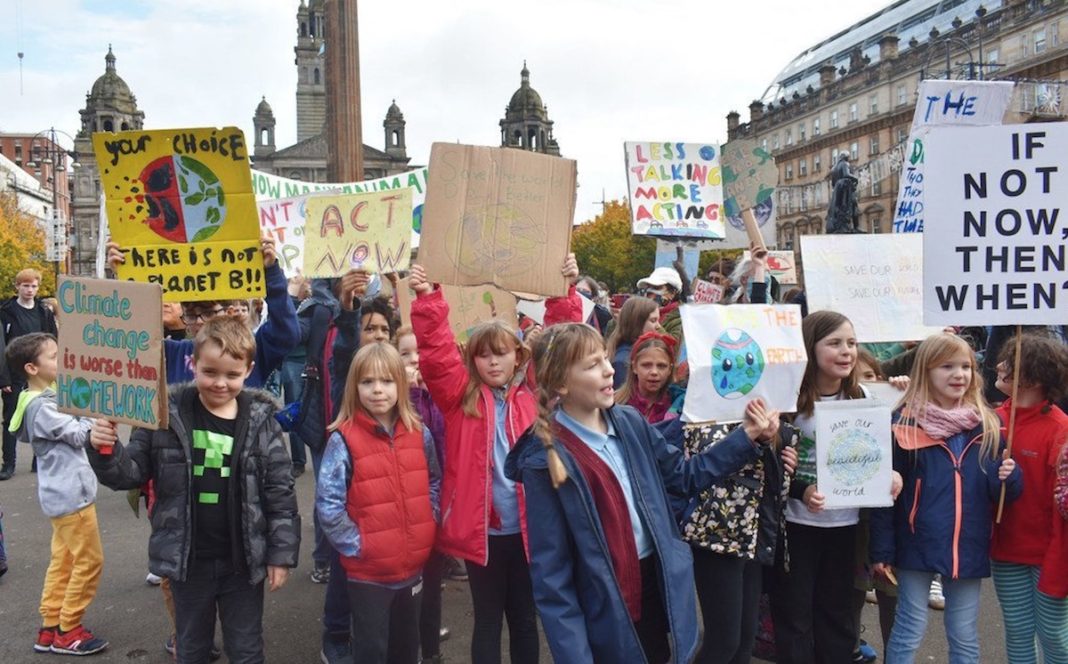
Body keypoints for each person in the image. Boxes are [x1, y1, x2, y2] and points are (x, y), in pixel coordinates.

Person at [505, 322, 780, 663]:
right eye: (592, 365)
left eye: (605, 359)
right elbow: (552, 577)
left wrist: (747, 436)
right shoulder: (545, 460)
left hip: (655, 585)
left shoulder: (631, 422)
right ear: (560, 382)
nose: (609, 371)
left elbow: (685, 476)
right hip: (604, 602)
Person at [86, 317, 300, 663]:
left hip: (243, 563)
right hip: (188, 562)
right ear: (192, 364)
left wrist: (280, 555)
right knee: (191, 646)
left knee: (246, 648)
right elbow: (130, 474)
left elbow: (281, 494)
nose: (220, 383)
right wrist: (104, 448)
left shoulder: (262, 423)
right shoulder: (163, 416)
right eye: (210, 372)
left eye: (232, 375)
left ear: (248, 370)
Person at [407, 256, 580, 664]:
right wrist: (427, 296)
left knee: (524, 618)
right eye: (484, 355)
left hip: (528, 529)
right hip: (481, 531)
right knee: (487, 620)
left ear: (519, 357)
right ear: (473, 360)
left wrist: (566, 291)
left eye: (502, 354)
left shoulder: (534, 394)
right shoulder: (459, 397)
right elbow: (435, 351)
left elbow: (560, 343)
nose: (494, 362)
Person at [871, 333, 1021, 664]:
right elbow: (885, 496)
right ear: (925, 371)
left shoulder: (988, 425)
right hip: (916, 544)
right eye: (947, 366)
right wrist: (881, 550)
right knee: (909, 626)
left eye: (966, 366)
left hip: (967, 546)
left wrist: (1010, 478)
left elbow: (1001, 496)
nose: (959, 374)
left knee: (964, 632)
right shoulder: (903, 423)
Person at [316, 342, 441, 664]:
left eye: (386, 381)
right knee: (372, 649)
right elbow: (329, 504)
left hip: (412, 566)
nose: (377, 390)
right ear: (354, 387)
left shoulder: (419, 433)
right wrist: (360, 545)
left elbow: (434, 482)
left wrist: (429, 523)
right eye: (367, 382)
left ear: (400, 384)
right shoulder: (343, 439)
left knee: (406, 647)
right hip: (368, 573)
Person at [770, 310, 874, 664]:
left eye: (852, 343)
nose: (846, 351)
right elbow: (773, 466)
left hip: (845, 526)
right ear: (810, 348)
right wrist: (801, 491)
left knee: (837, 613)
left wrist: (891, 475)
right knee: (795, 615)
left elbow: (881, 456)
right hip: (798, 526)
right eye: (834, 343)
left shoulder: (865, 398)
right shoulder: (788, 403)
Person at [6, 333, 107, 655]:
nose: (62, 359)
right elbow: (80, 435)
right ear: (32, 368)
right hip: (71, 497)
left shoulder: (40, 400)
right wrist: (94, 413)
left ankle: (52, 623)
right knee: (90, 562)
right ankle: (69, 630)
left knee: (63, 561)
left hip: (61, 495)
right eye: (54, 356)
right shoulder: (43, 406)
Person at [106, 236, 299, 389]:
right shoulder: (172, 353)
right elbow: (129, 342)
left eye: (207, 313)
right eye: (190, 314)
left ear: (230, 312)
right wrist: (126, 278)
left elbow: (287, 333)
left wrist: (271, 272)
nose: (198, 322)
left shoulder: (253, 350)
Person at [989, 335, 1068, 664]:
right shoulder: (993, 420)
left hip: (1050, 552)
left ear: (1033, 376)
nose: (999, 366)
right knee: (1018, 631)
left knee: (1054, 635)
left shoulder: (1060, 428)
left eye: (1009, 363)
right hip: (1005, 550)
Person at [396, 326, 451, 663]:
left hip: (434, 507)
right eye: (405, 354)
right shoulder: (396, 400)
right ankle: (408, 646)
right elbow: (413, 429)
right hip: (404, 511)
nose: (415, 359)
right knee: (407, 587)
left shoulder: (441, 398)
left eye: (420, 352)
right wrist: (413, 392)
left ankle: (430, 649)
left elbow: (441, 446)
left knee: (431, 586)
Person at [0, 268, 58, 480]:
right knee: (11, 418)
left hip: (41, 373)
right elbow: (1, 347)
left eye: (34, 286)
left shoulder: (44, 312)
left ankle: (39, 460)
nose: (30, 289)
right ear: (17, 287)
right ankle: (9, 464)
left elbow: (53, 341)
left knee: (43, 415)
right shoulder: (5, 312)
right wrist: (3, 378)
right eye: (25, 285)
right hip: (15, 374)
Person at [614, 331, 684, 424]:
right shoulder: (616, 404)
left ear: (670, 369)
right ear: (634, 367)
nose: (654, 372)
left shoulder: (678, 406)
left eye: (661, 366)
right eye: (646, 365)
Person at [606, 297, 660, 389]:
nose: (658, 326)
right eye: (653, 320)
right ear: (637, 323)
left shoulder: (639, 352)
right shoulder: (622, 362)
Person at [636, 266, 684, 342]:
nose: (650, 291)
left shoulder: (682, 319)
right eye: (648, 287)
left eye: (656, 288)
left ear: (672, 293)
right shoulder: (640, 311)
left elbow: (674, 348)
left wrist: (654, 323)